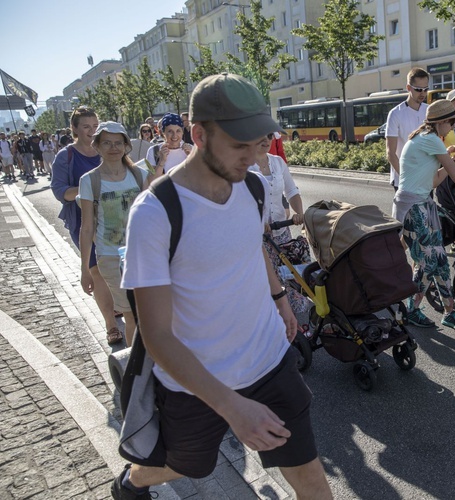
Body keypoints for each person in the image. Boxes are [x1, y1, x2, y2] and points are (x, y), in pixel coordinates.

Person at [115, 73, 332, 500]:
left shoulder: (252, 188)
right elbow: (155, 334)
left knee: (307, 473)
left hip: (269, 360)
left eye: (260, 143)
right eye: (239, 145)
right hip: (195, 382)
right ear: (198, 134)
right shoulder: (155, 213)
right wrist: (232, 408)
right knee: (181, 466)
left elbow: (254, 248)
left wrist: (279, 301)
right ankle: (131, 481)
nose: (253, 158)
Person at [392, 100, 455, 331]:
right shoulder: (430, 139)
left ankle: (449, 312)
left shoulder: (423, 138)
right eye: (452, 124)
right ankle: (412, 310)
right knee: (427, 262)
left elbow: (433, 180)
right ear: (442, 122)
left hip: (422, 204)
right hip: (413, 207)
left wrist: (450, 159)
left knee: (439, 261)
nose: (453, 129)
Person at [51, 107, 120, 345]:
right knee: (96, 270)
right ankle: (111, 325)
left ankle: (117, 306)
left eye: (94, 126)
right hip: (82, 221)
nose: (92, 131)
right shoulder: (66, 156)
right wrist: (88, 189)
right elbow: (60, 191)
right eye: (86, 127)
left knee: (117, 268)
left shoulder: (108, 149)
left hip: (113, 218)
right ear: (75, 129)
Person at [79, 122, 151, 346]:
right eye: (107, 143)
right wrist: (85, 269)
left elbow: (153, 218)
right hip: (111, 258)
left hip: (144, 255)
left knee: (151, 315)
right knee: (131, 317)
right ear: (97, 146)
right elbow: (87, 227)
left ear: (126, 146)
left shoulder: (140, 175)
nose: (113, 148)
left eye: (118, 143)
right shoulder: (89, 180)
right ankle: (136, 371)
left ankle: (156, 367)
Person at [248, 132, 312, 328]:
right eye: (261, 135)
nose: (266, 139)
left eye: (269, 135)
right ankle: (273, 318)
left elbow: (291, 190)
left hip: (281, 228)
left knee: (287, 271)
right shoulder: (245, 166)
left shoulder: (277, 162)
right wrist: (258, 221)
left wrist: (299, 213)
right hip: (259, 235)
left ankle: (290, 315)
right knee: (268, 276)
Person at [386, 67, 430, 192]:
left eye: (426, 89)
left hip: (425, 179)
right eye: (418, 89)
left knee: (427, 212)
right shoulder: (396, 114)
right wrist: (407, 178)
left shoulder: (429, 111)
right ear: (408, 88)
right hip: (404, 180)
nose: (423, 93)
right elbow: (390, 153)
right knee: (406, 213)